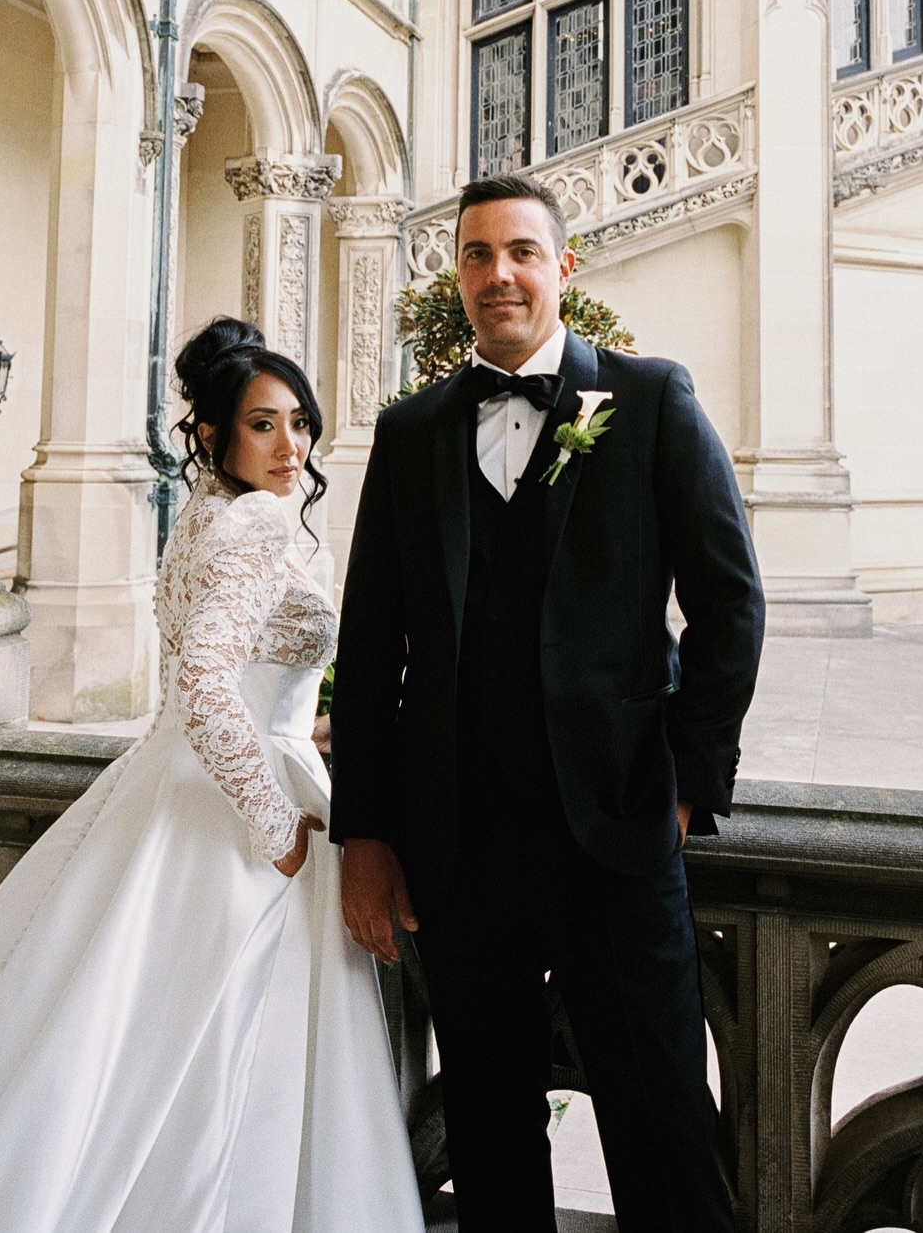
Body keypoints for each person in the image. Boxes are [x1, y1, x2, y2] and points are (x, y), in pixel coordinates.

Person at [0, 317, 426, 1233]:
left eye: (299, 420)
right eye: (265, 423)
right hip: (236, 815)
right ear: (214, 434)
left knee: (121, 1041)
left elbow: (233, 684)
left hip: (188, 778)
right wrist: (275, 824)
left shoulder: (206, 516)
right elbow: (210, 686)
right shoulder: (257, 521)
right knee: (219, 1046)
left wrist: (314, 731)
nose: (292, 443)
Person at [329, 175, 765, 1233]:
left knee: (660, 1118)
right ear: (459, 277)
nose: (498, 275)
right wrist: (368, 831)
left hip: (615, 835)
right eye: (477, 256)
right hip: (460, 844)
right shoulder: (410, 431)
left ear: (563, 268)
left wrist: (686, 784)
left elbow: (729, 600)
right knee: (486, 1126)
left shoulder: (652, 399)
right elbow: (370, 638)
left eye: (521, 252)